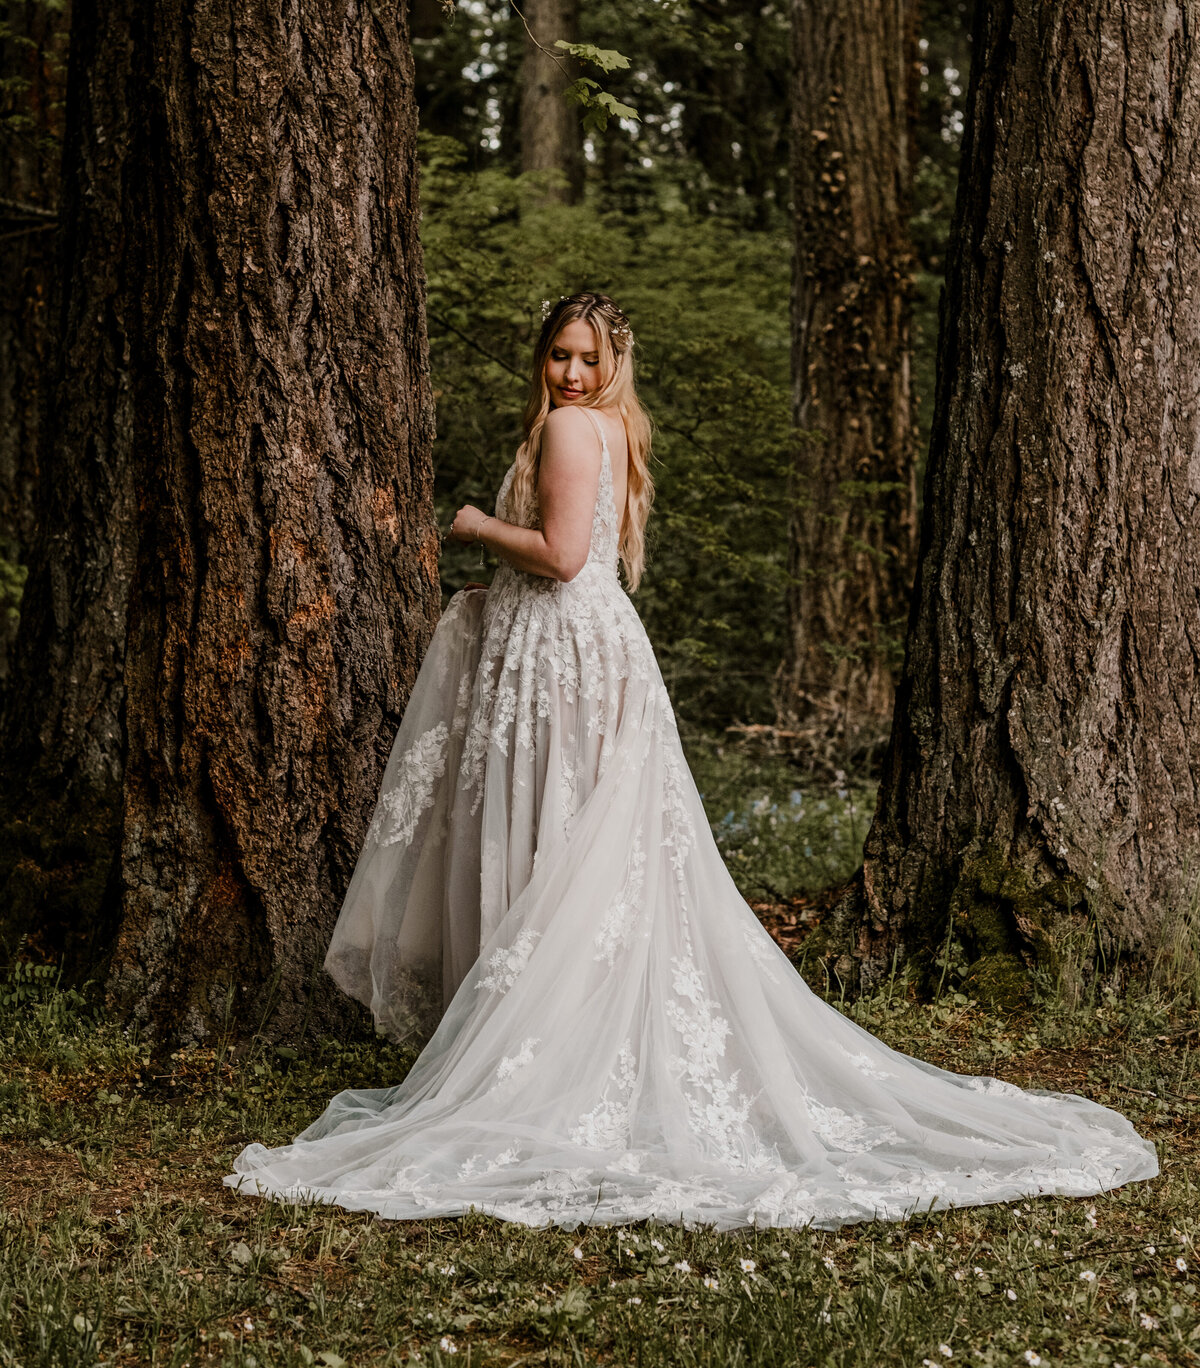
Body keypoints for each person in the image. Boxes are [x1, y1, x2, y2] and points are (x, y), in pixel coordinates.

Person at [227, 291, 1156, 1228]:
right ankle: (566, 1046)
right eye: (559, 355)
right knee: (583, 856)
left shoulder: (569, 430)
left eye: (590, 359)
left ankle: (551, 1060)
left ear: (613, 364)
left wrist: (474, 525)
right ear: (542, 356)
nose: (572, 374)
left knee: (567, 854)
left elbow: (557, 555)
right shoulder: (608, 431)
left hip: (566, 661)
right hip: (586, 654)